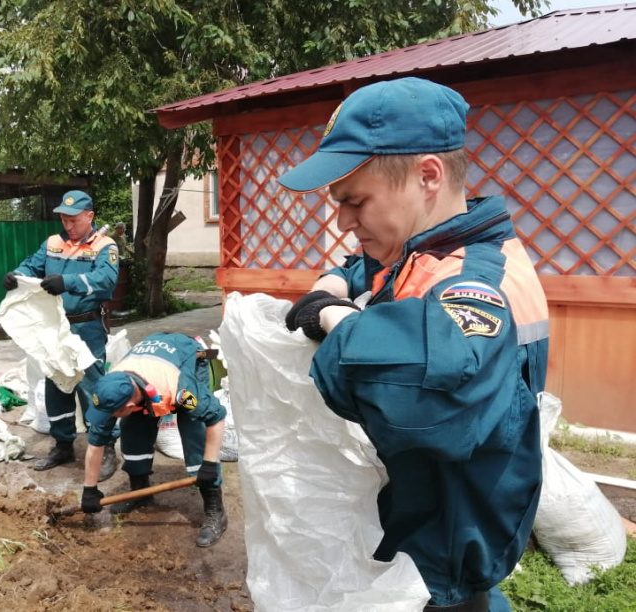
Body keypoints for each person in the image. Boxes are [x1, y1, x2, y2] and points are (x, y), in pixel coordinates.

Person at [279, 77, 549, 612]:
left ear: (428, 175)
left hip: (445, 549)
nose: (343, 221)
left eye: (356, 201)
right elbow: (372, 266)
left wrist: (334, 318)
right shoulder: (433, 246)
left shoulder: (476, 286)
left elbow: (426, 400)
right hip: (426, 518)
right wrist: (331, 285)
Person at [2, 190, 121, 480]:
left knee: (92, 387)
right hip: (54, 327)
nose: (68, 225)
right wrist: (16, 274)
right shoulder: (53, 243)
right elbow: (32, 265)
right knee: (56, 383)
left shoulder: (105, 246)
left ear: (89, 216)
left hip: (86, 327)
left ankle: (105, 447)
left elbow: (106, 281)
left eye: (74, 220)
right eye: (64, 219)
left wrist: (67, 282)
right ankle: (63, 444)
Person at [80, 333, 228, 547]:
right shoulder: (111, 389)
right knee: (132, 428)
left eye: (111, 413)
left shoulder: (181, 390)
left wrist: (209, 464)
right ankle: (140, 490)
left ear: (128, 405)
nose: (107, 418)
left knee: (194, 429)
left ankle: (215, 509)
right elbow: (96, 442)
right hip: (147, 373)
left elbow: (216, 417)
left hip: (186, 359)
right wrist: (89, 489)